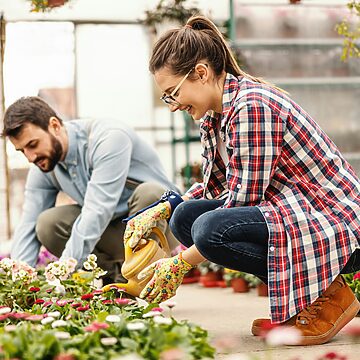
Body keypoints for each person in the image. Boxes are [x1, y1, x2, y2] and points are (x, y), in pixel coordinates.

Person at [123, 16, 360, 346]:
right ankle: (309, 300)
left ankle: (331, 298)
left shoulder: (251, 105)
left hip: (333, 222)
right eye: (167, 98)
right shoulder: (215, 117)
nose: (173, 106)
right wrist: (165, 207)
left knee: (208, 231)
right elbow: (216, 189)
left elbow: (242, 200)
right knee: (185, 219)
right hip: (294, 216)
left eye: (172, 93)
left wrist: (178, 263)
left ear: (202, 73)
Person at [2, 96, 179, 284]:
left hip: (162, 226)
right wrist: (17, 282)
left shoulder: (109, 138)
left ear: (54, 126)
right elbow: (28, 225)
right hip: (114, 230)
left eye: (32, 145)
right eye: (22, 151)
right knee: (47, 224)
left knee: (150, 194)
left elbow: (97, 210)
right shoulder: (44, 165)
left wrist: (63, 271)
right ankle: (112, 278)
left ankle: (142, 276)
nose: (30, 157)